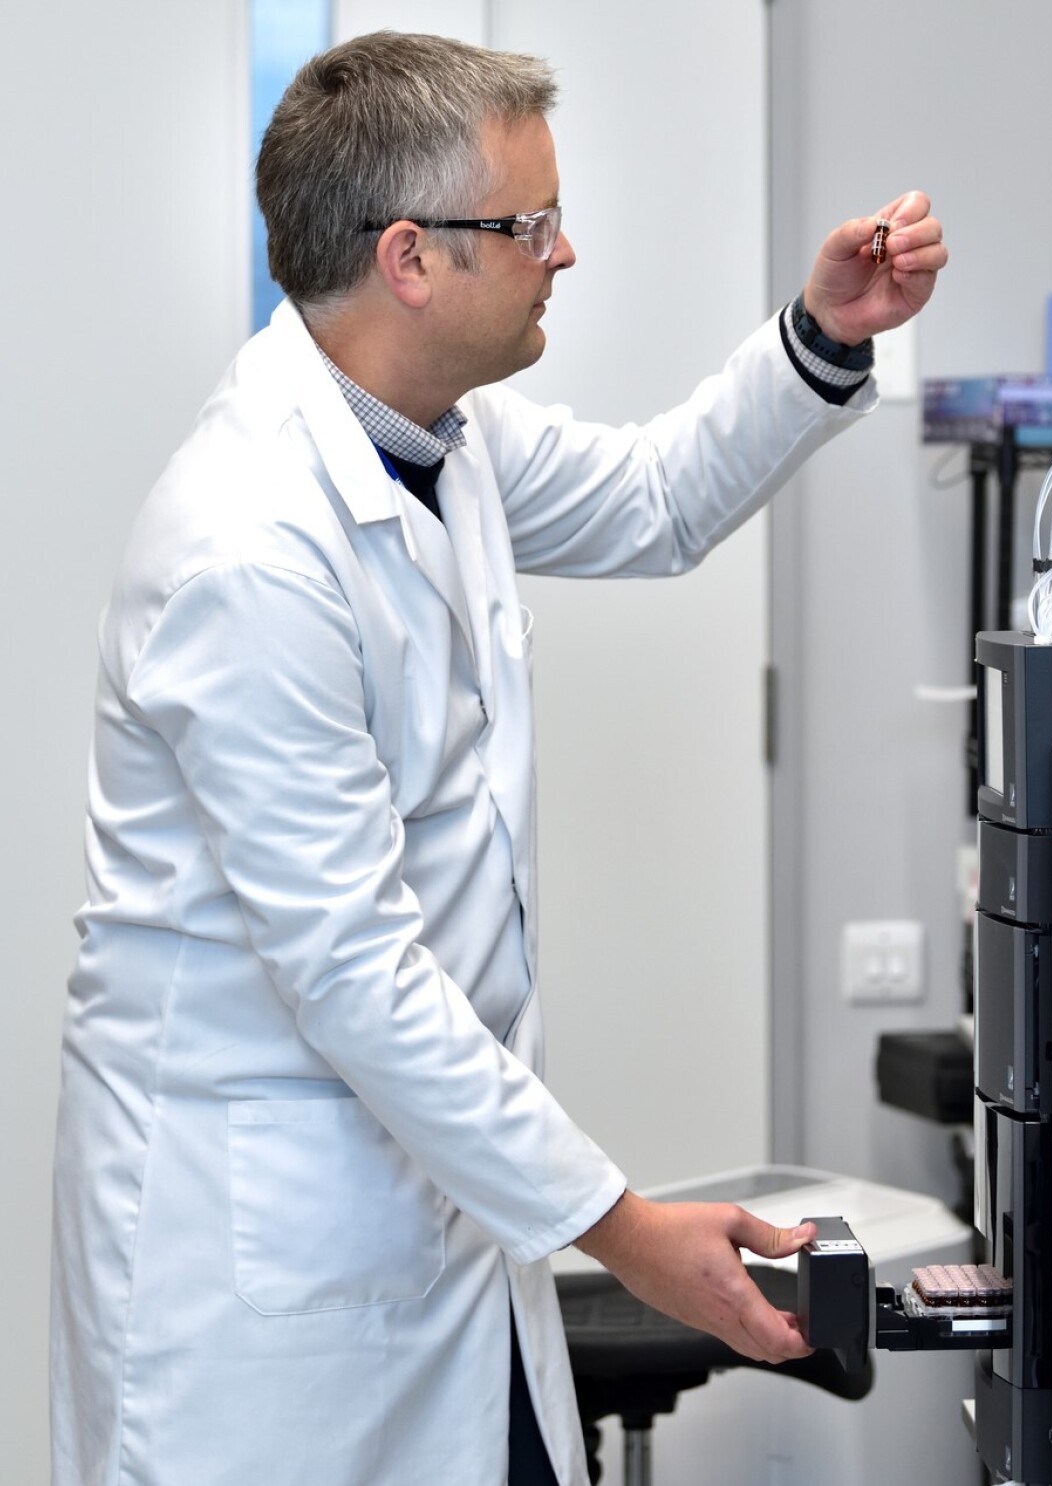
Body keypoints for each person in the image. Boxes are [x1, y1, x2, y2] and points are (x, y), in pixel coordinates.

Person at [49, 29, 947, 1486]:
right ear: (410, 258)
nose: (565, 251)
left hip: (438, 1233)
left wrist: (821, 334)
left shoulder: (440, 439)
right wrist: (625, 1226)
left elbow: (657, 499)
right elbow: (356, 971)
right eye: (529, 225)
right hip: (262, 1299)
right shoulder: (245, 549)